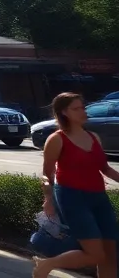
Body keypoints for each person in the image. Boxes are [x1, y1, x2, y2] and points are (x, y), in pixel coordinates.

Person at [33, 92, 119, 278]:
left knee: (111, 254)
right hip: (72, 198)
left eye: (83, 107)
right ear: (64, 112)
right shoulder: (57, 139)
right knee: (95, 254)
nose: (83, 111)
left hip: (99, 198)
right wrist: (48, 198)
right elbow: (47, 174)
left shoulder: (94, 137)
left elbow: (105, 168)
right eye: (76, 108)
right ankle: (49, 263)